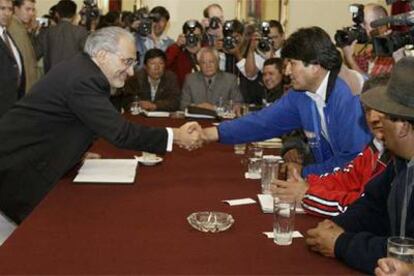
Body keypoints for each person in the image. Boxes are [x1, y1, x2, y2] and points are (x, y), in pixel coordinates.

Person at [0, 27, 203, 225]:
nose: (131, 71)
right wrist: (175, 135)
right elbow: (121, 133)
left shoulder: (83, 70)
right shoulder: (84, 78)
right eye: (127, 62)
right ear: (102, 55)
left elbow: (73, 120)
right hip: (17, 168)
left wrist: (77, 151)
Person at [200, 27, 371, 177]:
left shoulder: (348, 97)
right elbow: (262, 122)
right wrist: (211, 134)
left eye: (292, 64)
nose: (287, 71)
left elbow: (353, 162)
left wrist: (304, 172)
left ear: (315, 66)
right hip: (328, 181)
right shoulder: (301, 94)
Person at [305, 57, 414, 274]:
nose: (378, 126)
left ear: (402, 126)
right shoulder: (400, 161)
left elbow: (405, 251)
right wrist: (338, 226)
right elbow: (373, 206)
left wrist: (341, 243)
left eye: (385, 118)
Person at [272, 75, 391, 217]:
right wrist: (305, 183)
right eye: (367, 109)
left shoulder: (399, 159)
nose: (372, 118)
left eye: (380, 108)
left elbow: (367, 209)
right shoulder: (375, 147)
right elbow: (345, 179)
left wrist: (307, 195)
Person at [180, 46, 242, 113]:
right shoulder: (190, 79)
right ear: (199, 64)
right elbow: (183, 106)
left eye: (211, 62)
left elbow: (238, 104)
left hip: (222, 121)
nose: (208, 66)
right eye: (203, 63)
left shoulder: (230, 79)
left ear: (218, 61)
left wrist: (214, 108)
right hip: (196, 120)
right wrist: (198, 107)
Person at [341, 3, 394, 77]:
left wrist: (350, 60)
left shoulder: (392, 49)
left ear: (380, 24)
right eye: (359, 24)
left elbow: (371, 86)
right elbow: (357, 69)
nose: (361, 28)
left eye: (364, 24)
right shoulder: (370, 50)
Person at [39, 0, 88, 73]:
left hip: (52, 76)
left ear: (57, 14)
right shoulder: (81, 31)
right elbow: (86, 57)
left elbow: (41, 55)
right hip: (74, 77)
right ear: (74, 15)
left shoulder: (47, 32)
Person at [8, 0, 40, 92]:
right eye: (27, 9)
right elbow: (23, 62)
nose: (31, 13)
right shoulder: (14, 28)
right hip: (23, 87)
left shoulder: (19, 27)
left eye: (33, 10)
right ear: (16, 9)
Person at [0, 0, 24, 117]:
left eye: (10, 9)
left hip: (12, 104)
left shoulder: (7, 35)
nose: (6, 13)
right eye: (2, 8)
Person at [166, 19, 203, 88]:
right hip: (182, 95)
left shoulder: (207, 52)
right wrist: (176, 46)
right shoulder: (177, 52)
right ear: (184, 36)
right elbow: (164, 66)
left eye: (197, 36)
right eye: (191, 36)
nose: (193, 39)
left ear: (201, 37)